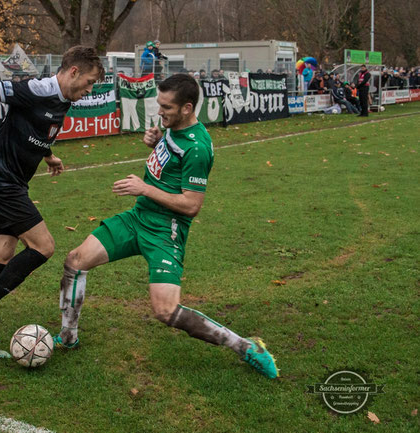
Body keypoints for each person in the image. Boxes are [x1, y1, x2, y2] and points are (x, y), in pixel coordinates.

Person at [52, 73, 279, 379]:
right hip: (137, 217)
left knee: (165, 311)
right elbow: (170, 156)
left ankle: (246, 347)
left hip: (165, 231)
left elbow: (192, 205)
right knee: (75, 261)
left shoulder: (199, 147)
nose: (160, 112)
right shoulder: (174, 130)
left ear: (187, 108)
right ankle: (68, 337)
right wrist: (157, 141)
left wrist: (144, 188)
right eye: (159, 104)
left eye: (166, 107)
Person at [0, 46, 104, 358]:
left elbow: (38, 132)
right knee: (44, 247)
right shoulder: (39, 90)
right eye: (89, 82)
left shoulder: (64, 100)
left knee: (2, 254)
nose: (90, 90)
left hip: (9, 182)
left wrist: (49, 156)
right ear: (73, 72)